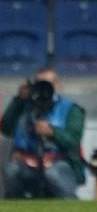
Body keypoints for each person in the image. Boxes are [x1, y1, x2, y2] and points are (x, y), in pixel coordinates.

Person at [1, 68, 85, 199]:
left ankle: (72, 206)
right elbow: (6, 128)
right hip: (28, 165)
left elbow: (73, 140)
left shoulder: (71, 110)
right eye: (39, 83)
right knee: (11, 170)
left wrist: (53, 132)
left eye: (48, 84)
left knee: (53, 173)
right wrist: (18, 100)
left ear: (57, 85)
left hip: (60, 163)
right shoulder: (24, 106)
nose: (43, 88)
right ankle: (17, 210)